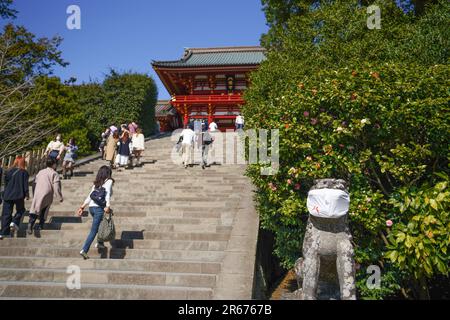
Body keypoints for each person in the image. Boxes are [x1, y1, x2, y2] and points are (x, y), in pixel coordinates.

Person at [77, 166, 114, 259]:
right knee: (94, 230)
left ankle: (100, 243)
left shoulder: (97, 183)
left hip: (91, 208)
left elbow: (90, 196)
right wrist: (108, 206)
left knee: (101, 224)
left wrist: (82, 206)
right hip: (99, 209)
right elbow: (108, 193)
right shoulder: (109, 181)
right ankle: (84, 250)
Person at [27, 158, 63, 235]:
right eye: (55, 164)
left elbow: (34, 183)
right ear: (53, 164)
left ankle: (30, 224)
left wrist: (34, 194)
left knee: (35, 208)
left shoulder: (41, 171)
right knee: (44, 209)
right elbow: (56, 187)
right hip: (47, 192)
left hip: (38, 192)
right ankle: (40, 225)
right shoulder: (54, 173)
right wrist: (59, 197)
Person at [0, 157, 29, 239]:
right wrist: (27, 194)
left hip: (7, 195)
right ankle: (15, 222)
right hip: (18, 195)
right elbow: (25, 184)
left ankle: (3, 232)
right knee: (21, 210)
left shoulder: (8, 171)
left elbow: (5, 183)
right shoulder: (24, 172)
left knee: (6, 214)